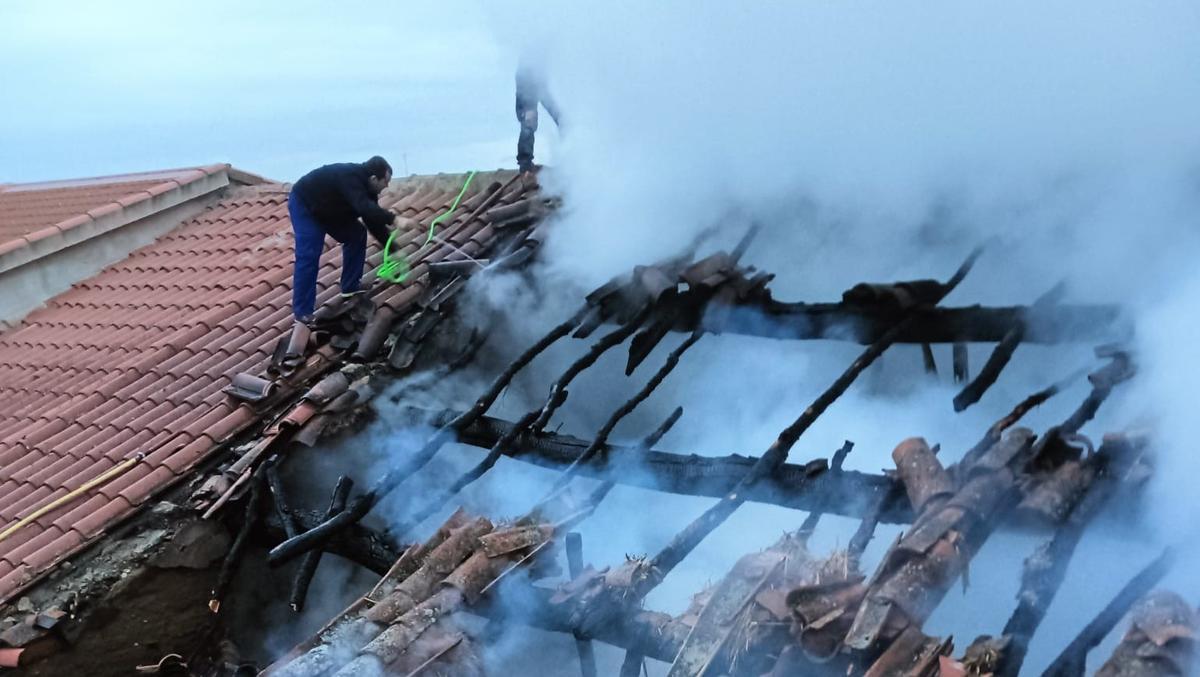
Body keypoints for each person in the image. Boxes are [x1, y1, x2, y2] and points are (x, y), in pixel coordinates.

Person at [288, 156, 397, 323]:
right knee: (309, 254)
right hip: (306, 205)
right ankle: (302, 311)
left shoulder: (369, 190)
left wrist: (393, 250)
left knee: (357, 234)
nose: (386, 186)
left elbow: (372, 220)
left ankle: (350, 286)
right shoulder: (350, 177)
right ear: (374, 178)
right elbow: (363, 207)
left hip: (329, 210)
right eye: (386, 182)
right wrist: (394, 219)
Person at [515, 55, 562, 173]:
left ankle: (571, 155)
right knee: (528, 124)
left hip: (539, 84)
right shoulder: (526, 64)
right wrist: (527, 108)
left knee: (561, 119)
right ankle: (525, 165)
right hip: (526, 86)